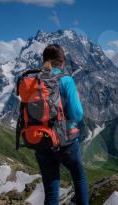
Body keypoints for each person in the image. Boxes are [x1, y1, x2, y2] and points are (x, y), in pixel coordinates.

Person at [35, 44, 89, 205]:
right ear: (62, 61)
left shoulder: (33, 80)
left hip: (40, 140)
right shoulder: (65, 80)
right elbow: (77, 114)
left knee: (51, 192)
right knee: (79, 177)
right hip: (64, 141)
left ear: (44, 60)